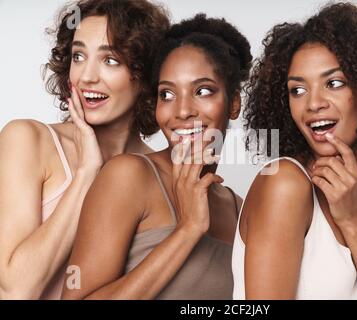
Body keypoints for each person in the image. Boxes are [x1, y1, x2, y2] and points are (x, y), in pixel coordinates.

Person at [232, 3, 357, 299]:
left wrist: (353, 223)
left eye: (334, 83)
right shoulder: (285, 183)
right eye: (298, 90)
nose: (313, 103)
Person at [62, 14, 252, 300]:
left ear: (234, 102)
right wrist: (188, 230)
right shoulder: (129, 176)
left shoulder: (239, 209)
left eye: (202, 91)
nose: (183, 111)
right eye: (167, 94)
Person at [0, 0, 169, 299]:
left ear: (144, 75)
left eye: (110, 60)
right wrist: (86, 173)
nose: (87, 76)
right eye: (79, 56)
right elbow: (16, 289)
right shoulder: (28, 140)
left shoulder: (157, 171)